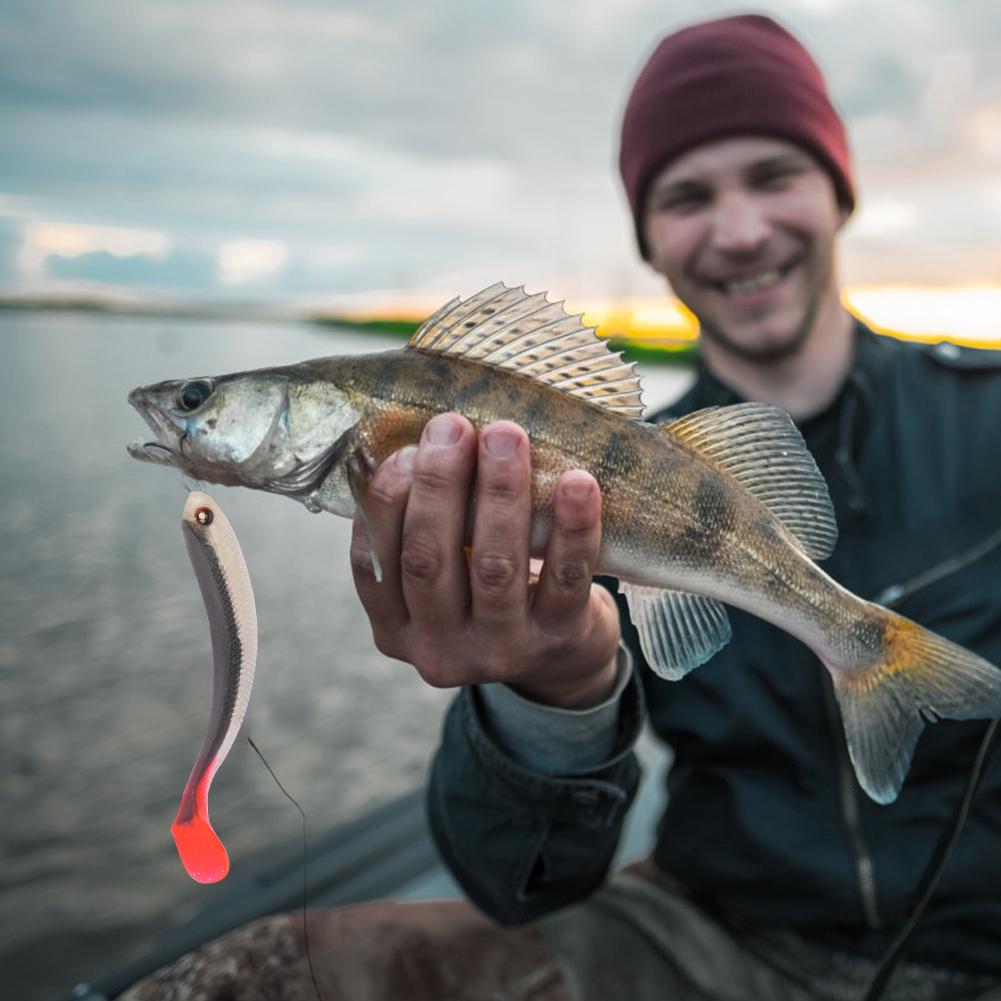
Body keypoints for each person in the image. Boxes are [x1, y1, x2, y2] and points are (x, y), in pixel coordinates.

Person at [122, 13, 1001, 1001]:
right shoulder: (614, 470)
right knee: (253, 976)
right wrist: (553, 688)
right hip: (710, 933)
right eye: (685, 196)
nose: (738, 228)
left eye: (771, 175)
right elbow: (521, 883)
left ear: (836, 192)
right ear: (649, 237)